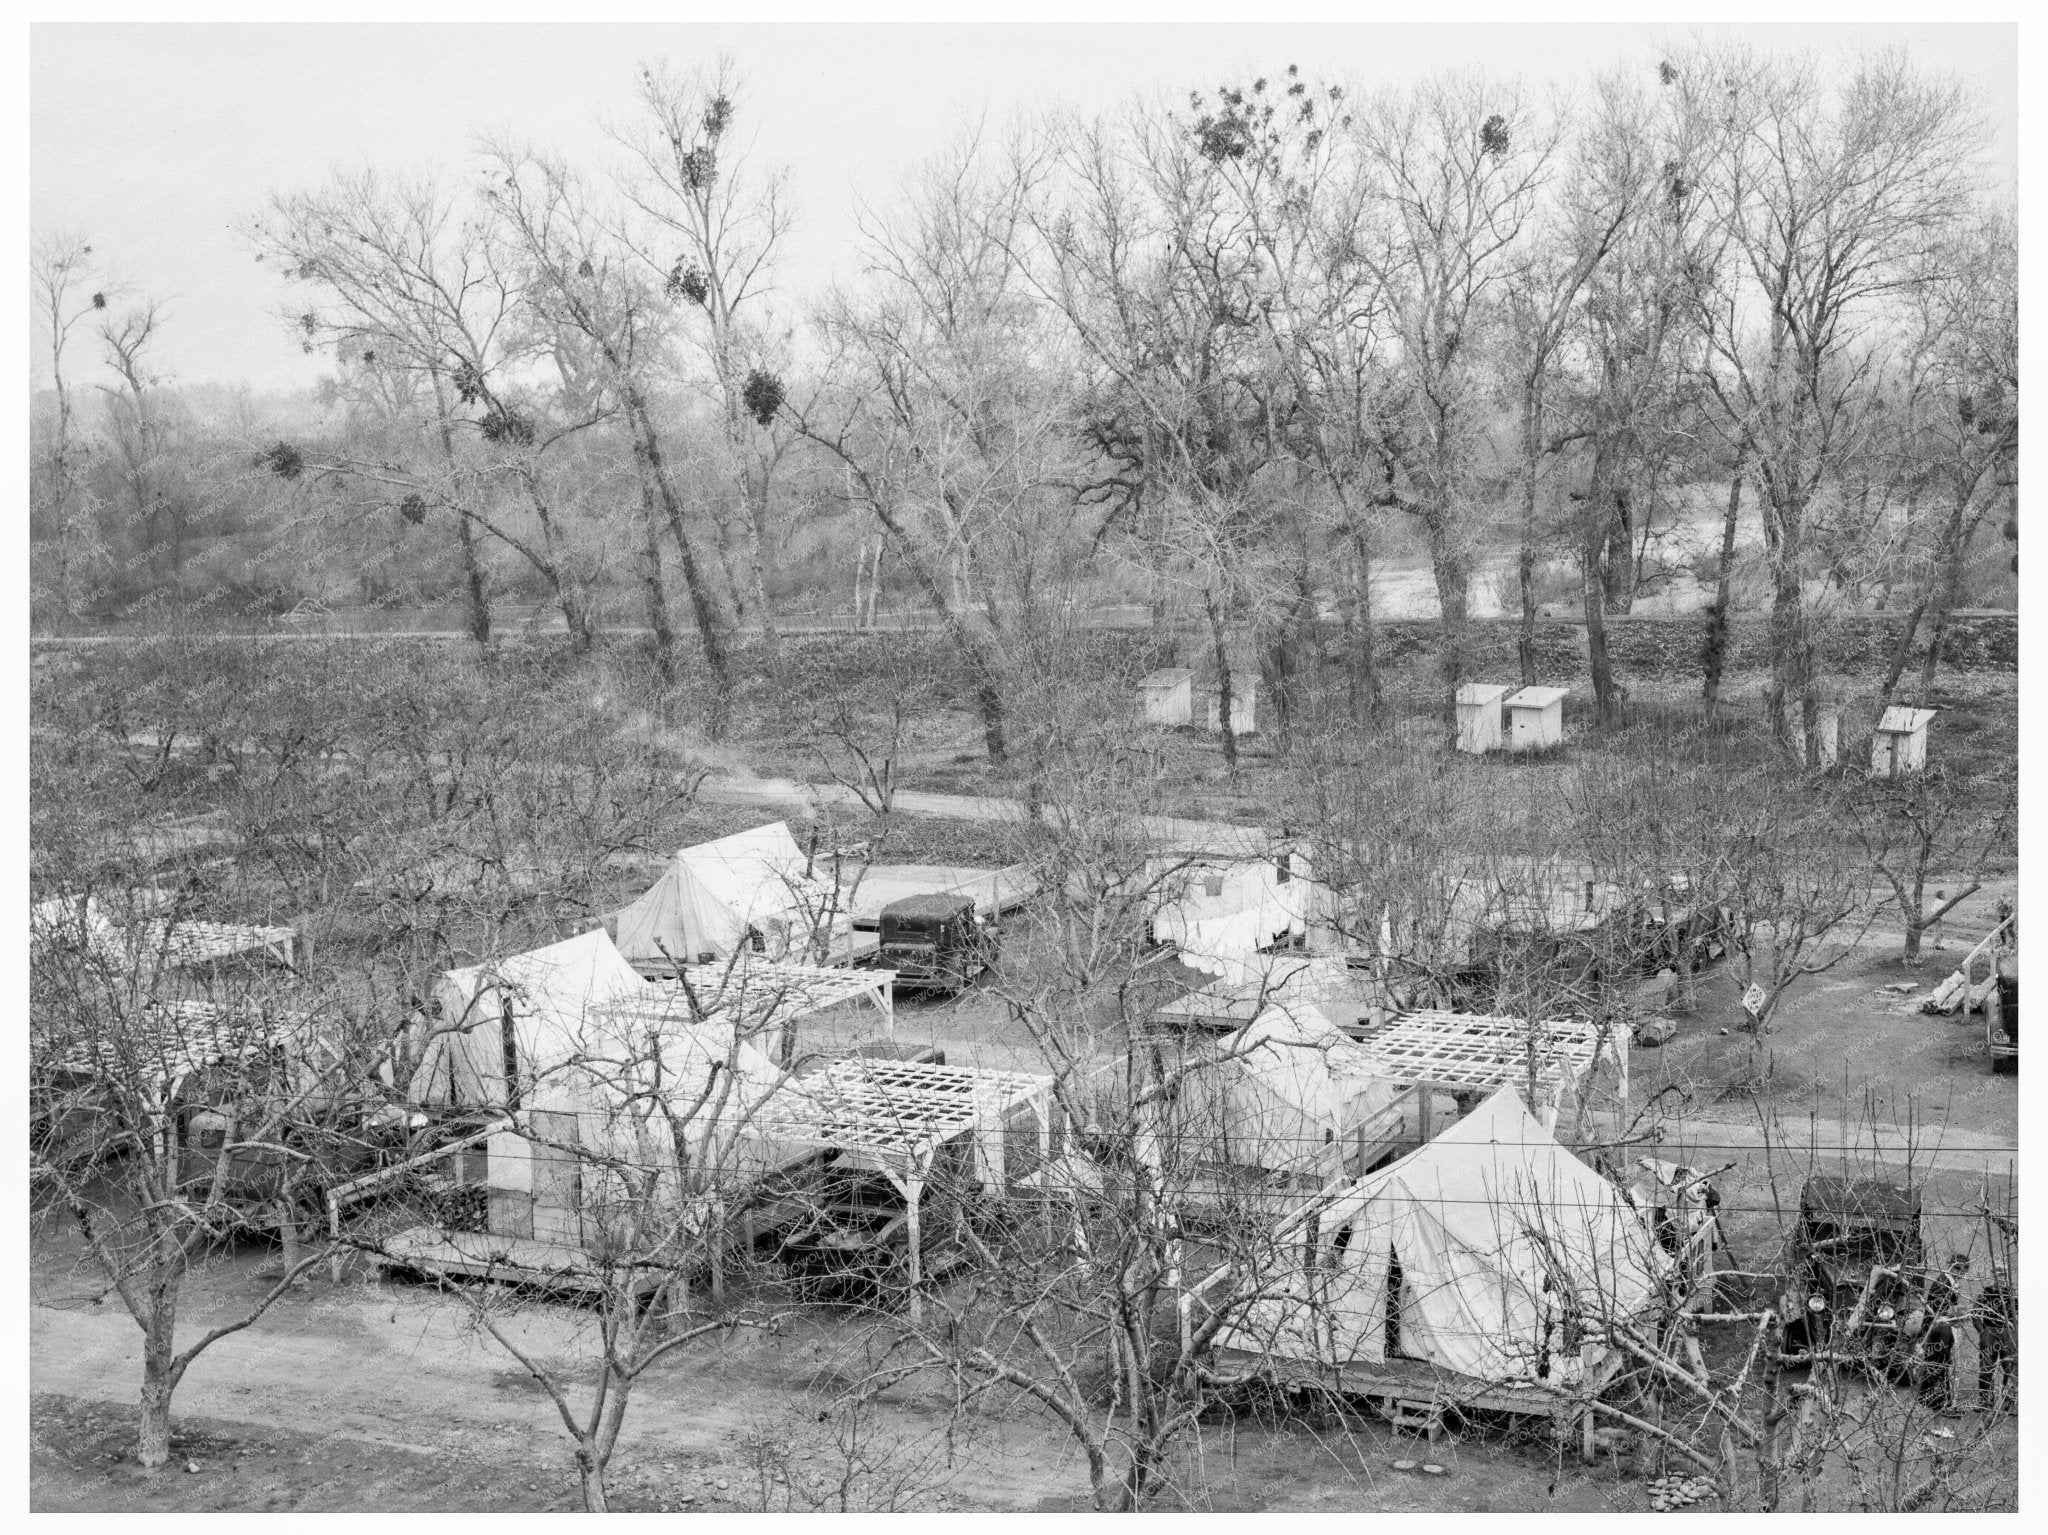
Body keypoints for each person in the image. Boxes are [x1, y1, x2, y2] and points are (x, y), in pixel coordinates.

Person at [1975, 1270, 2018, 1414]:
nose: (2000, 1279)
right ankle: (1985, 1401)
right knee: (1986, 1367)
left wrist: (2015, 1332)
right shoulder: (1985, 1294)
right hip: (1989, 1332)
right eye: (1997, 1276)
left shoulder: (2014, 1295)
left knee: (2011, 1368)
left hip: (2009, 1332)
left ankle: (2010, 1403)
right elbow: (1975, 1313)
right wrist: (1982, 1331)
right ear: (1993, 1277)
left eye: (2003, 1276)